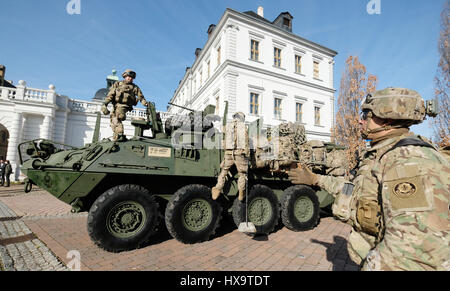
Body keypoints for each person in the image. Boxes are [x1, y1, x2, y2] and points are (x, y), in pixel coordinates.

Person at [288, 87, 449, 271]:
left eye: (366, 114)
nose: (360, 119)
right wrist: (316, 179)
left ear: (387, 118)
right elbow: (355, 190)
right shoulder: (383, 152)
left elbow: (409, 252)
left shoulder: (407, 160)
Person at [101, 69, 149, 141]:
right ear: (125, 76)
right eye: (129, 76)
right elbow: (110, 94)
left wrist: (146, 104)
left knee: (118, 116)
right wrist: (105, 104)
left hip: (124, 106)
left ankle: (120, 134)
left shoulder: (134, 87)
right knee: (113, 121)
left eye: (132, 77)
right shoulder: (118, 84)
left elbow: (141, 97)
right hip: (115, 105)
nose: (130, 78)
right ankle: (117, 136)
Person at [212, 112, 249, 201]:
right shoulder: (243, 126)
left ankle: (217, 188)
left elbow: (223, 136)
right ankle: (241, 193)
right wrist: (247, 155)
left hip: (228, 153)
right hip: (239, 153)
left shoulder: (228, 126)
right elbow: (246, 141)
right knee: (242, 174)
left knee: (224, 172)